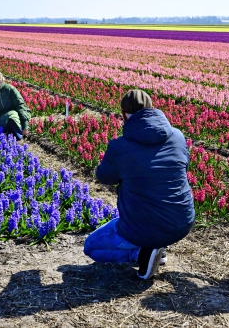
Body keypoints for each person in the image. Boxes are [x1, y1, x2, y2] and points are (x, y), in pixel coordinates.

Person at [84, 89, 195, 279]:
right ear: (152, 109)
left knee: (91, 247)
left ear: (124, 115)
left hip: (143, 227)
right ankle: (158, 250)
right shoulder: (177, 136)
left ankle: (143, 254)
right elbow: (183, 165)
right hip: (182, 223)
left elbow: (104, 177)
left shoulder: (120, 146)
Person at [0, 70, 30, 141]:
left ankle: (19, 137)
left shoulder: (10, 89)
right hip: (1, 119)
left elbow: (20, 106)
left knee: (11, 116)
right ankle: (7, 136)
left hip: (15, 117)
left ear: (1, 79)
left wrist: (25, 126)